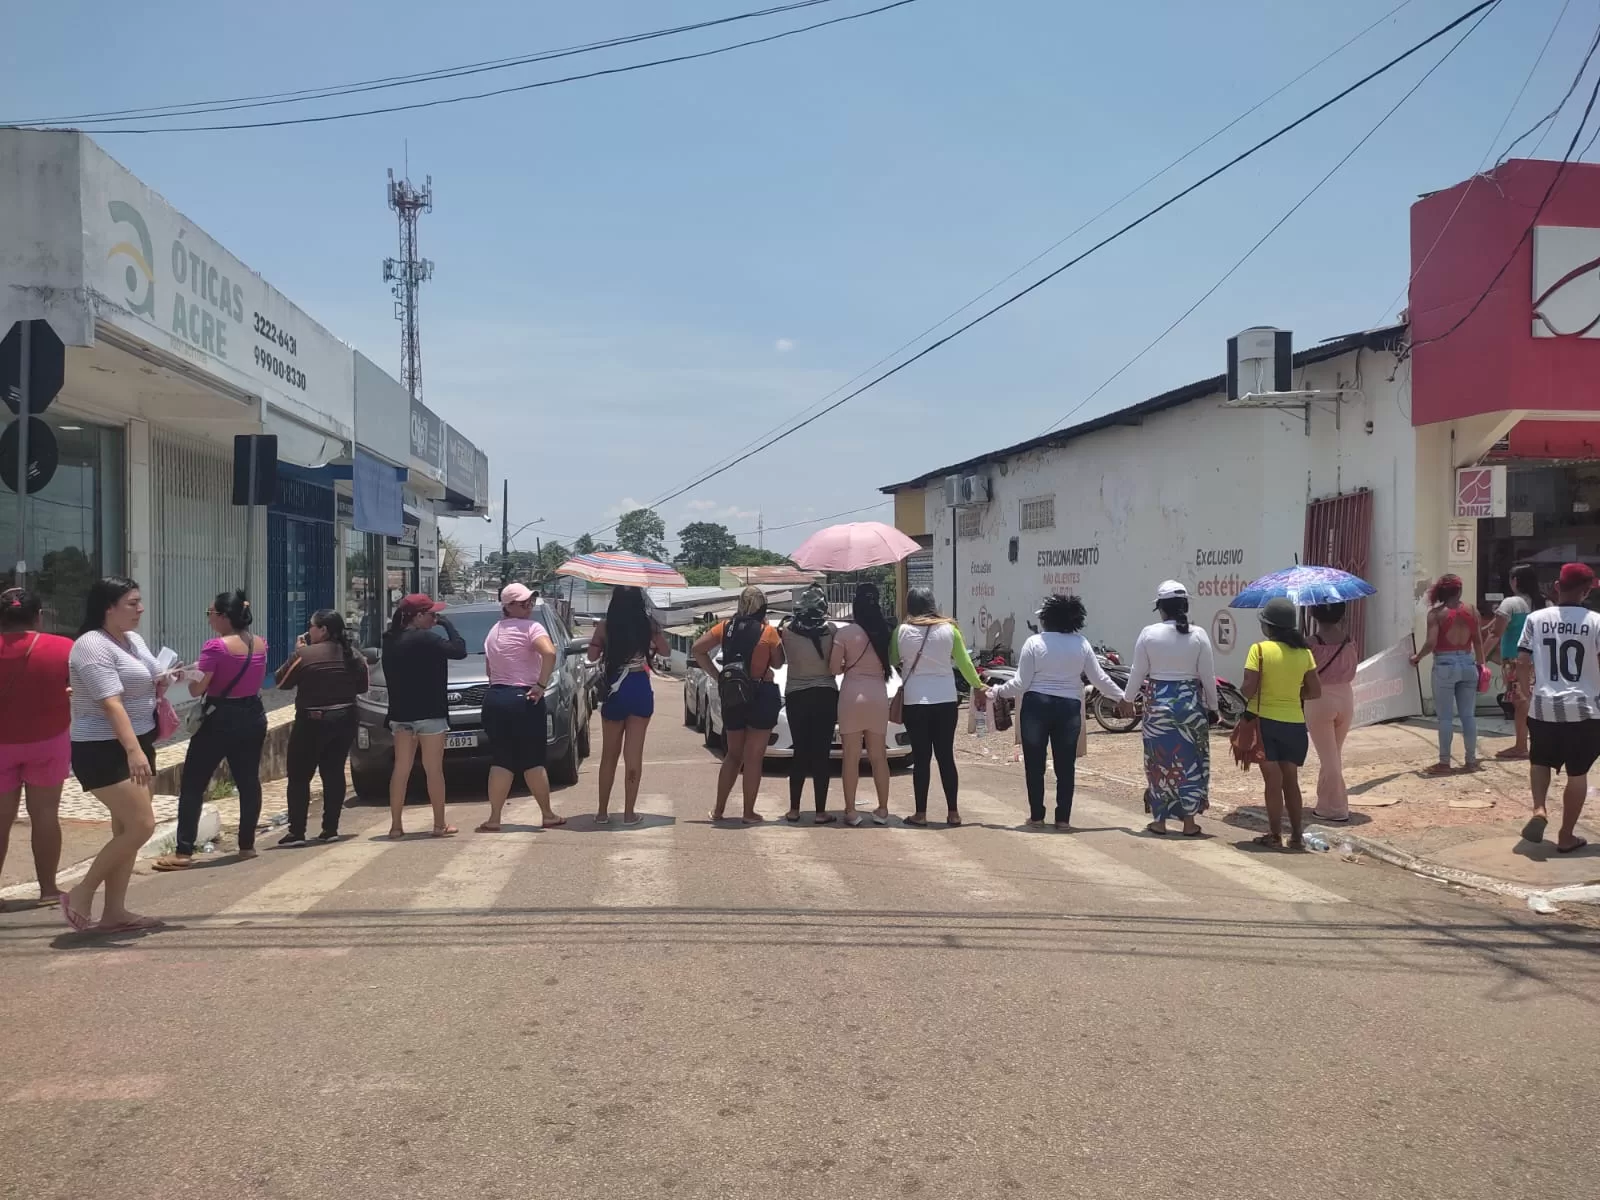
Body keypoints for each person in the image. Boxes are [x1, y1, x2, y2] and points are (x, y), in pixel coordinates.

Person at [61, 577, 174, 932]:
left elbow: (152, 675)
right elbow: (110, 703)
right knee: (142, 825)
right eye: (132, 603)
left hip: (139, 742)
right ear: (108, 607)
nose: (140, 609)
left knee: (126, 827)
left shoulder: (132, 640)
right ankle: (82, 891)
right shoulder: (91, 646)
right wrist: (133, 751)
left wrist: (169, 676)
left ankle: (115, 912)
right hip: (104, 749)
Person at [154, 590, 268, 870]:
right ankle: (246, 845)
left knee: (193, 783)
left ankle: (183, 852)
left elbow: (198, 688)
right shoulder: (259, 643)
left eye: (211, 614)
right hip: (253, 714)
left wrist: (189, 675)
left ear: (224, 617)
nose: (209, 620)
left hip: (220, 718)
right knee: (248, 781)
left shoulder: (215, 647)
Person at [993, 593, 1125, 830]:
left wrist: (997, 692)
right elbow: (1099, 678)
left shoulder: (1034, 643)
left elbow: (1020, 684)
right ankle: (1063, 819)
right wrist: (1122, 698)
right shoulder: (1081, 643)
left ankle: (1037, 816)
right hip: (1069, 708)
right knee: (1065, 766)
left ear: (1046, 618)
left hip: (1036, 706)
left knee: (1034, 765)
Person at [1516, 562, 1600, 854]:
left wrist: (1524, 691)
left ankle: (1539, 809)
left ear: (1556, 586)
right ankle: (1566, 836)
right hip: (1584, 709)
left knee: (1540, 761)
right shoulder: (1596, 621)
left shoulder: (1536, 619)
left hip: (1544, 705)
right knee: (1578, 773)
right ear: (1586, 591)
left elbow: (1523, 661)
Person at [1121, 582, 1216, 837]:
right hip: (1190, 707)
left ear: (1161, 609)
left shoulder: (1148, 633)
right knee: (1191, 762)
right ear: (1185, 606)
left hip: (1157, 707)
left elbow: (1137, 671)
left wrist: (1127, 699)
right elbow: (1208, 677)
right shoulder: (1198, 634)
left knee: (1159, 763)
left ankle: (1160, 821)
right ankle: (1189, 823)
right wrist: (1214, 707)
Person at [0, 589, 74, 905]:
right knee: (45, 814)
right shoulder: (63, 648)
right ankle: (47, 889)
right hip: (48, 739)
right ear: (39, 616)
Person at [272, 609, 369, 846]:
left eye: (312, 626)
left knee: (298, 776)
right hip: (345, 719)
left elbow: (281, 681)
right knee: (333, 772)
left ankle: (297, 831)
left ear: (323, 630)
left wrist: (297, 652)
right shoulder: (354, 655)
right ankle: (330, 829)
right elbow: (362, 686)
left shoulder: (305, 655)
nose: (308, 630)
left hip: (312, 722)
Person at [892, 587, 987, 827]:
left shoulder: (901, 631)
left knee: (921, 758)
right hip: (945, 701)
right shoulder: (950, 630)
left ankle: (920, 814)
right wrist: (978, 685)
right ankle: (953, 813)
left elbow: (891, 659)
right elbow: (964, 663)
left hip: (915, 702)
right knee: (946, 757)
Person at [479, 583, 567, 832]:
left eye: (530, 602)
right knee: (533, 760)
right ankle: (547, 814)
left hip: (495, 697)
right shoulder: (532, 627)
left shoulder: (493, 632)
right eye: (523, 603)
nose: (528, 606)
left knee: (501, 760)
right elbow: (549, 653)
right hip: (524, 698)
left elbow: (489, 670)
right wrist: (541, 684)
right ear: (508, 606)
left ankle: (495, 818)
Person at [692, 586, 784, 823]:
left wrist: (717, 675)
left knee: (733, 755)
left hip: (733, 693)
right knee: (754, 757)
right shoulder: (768, 632)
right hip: (761, 693)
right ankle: (748, 812)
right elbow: (777, 664)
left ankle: (719, 810)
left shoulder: (725, 627)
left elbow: (697, 649)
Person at [382, 594, 467, 838]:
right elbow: (459, 650)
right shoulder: (427, 639)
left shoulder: (390, 640)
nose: (434, 618)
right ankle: (439, 825)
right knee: (433, 770)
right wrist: (448, 625)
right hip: (430, 714)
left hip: (401, 715)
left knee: (401, 769)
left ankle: (396, 826)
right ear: (417, 616)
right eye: (431, 615)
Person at [1241, 597, 1321, 850]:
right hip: (1295, 725)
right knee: (1291, 781)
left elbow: (1247, 690)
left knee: (1272, 783)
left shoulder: (1259, 650)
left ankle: (1275, 835)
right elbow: (1314, 691)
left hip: (1265, 724)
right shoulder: (1305, 653)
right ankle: (1297, 835)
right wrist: (1292, 694)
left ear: (1269, 627)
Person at [588, 585, 669, 825]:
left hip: (614, 689)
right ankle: (629, 813)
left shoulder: (605, 626)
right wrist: (653, 636)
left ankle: (602, 812)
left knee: (608, 756)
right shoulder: (648, 625)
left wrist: (602, 646)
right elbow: (665, 651)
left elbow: (592, 657)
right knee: (633, 755)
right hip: (639, 688)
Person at [829, 582, 894, 827]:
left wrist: (848, 666)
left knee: (851, 757)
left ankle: (851, 811)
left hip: (851, 695)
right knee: (879, 757)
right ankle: (883, 809)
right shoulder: (886, 630)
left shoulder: (845, 634)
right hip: (878, 695)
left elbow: (834, 668)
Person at [778, 585, 839, 825]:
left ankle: (794, 809)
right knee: (822, 754)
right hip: (825, 694)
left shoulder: (786, 630)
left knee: (800, 752)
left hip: (796, 695)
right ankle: (821, 812)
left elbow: (779, 661)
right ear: (823, 607)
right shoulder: (831, 630)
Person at [1484, 565, 1544, 761]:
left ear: (1515, 581)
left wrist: (1479, 658)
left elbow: (1495, 634)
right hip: (1540, 659)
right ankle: (1535, 743)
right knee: (1533, 702)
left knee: (1521, 703)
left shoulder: (1510, 603)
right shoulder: (1544, 602)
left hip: (1515, 660)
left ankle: (1520, 746)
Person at [1304, 602, 1357, 822]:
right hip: (1346, 696)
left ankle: (1336, 808)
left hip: (1319, 699)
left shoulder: (1310, 644)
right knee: (1333, 753)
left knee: (1329, 759)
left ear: (1314, 615)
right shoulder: (1350, 641)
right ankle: (1325, 803)